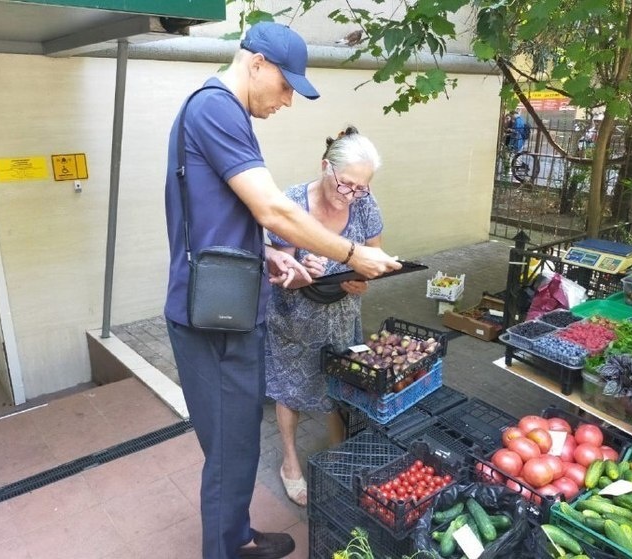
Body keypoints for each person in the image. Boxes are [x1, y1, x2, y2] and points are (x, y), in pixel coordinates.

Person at [163, 22, 400, 559]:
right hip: (213, 320)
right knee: (228, 450)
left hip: (227, 305)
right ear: (257, 65)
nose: (289, 99)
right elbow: (271, 207)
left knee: (241, 438)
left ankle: (239, 536)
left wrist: (265, 253)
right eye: (287, 85)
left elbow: (218, 216)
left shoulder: (219, 111)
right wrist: (350, 253)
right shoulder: (216, 108)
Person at [265, 126, 382, 507]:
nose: (350, 195)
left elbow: (374, 261)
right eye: (346, 184)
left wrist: (364, 282)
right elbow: (278, 277)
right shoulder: (292, 203)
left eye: (359, 188)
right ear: (324, 166)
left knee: (340, 385)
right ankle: (290, 463)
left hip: (342, 317)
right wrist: (301, 271)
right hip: (294, 318)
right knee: (290, 389)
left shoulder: (366, 204)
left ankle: (341, 453)